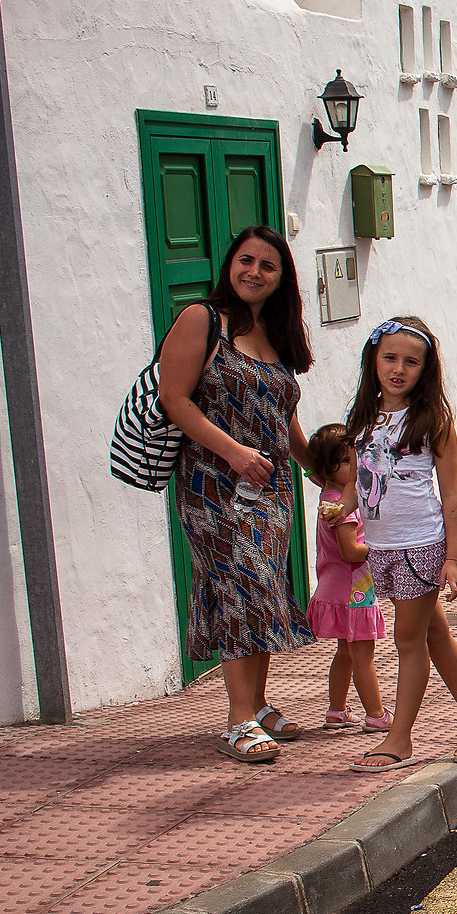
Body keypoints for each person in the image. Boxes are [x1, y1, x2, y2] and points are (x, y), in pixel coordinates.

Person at [156, 226, 315, 765]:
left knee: (263, 589)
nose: (254, 272)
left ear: (280, 278)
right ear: (230, 264)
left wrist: (315, 466)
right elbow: (175, 399)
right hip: (214, 486)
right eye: (245, 260)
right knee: (238, 588)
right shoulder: (203, 320)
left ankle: (259, 704)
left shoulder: (277, 333)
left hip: (269, 490)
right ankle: (236, 719)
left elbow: (282, 415)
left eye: (267, 266)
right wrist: (233, 454)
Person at [346, 317, 457, 770]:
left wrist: (454, 559)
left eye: (411, 361)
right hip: (382, 548)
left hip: (421, 547)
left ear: (425, 370)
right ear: (374, 359)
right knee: (434, 632)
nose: (398, 369)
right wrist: (341, 505)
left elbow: (451, 496)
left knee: (409, 641)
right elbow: (360, 477)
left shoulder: (433, 421)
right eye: (389, 357)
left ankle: (400, 739)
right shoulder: (364, 418)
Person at [305, 423, 390, 732]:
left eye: (353, 459)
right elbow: (351, 551)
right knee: (363, 656)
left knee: (346, 654)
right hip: (354, 591)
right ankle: (377, 715)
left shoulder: (327, 496)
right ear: (328, 468)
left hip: (337, 588)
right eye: (344, 461)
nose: (353, 466)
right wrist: (379, 548)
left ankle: (337, 711)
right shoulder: (340, 505)